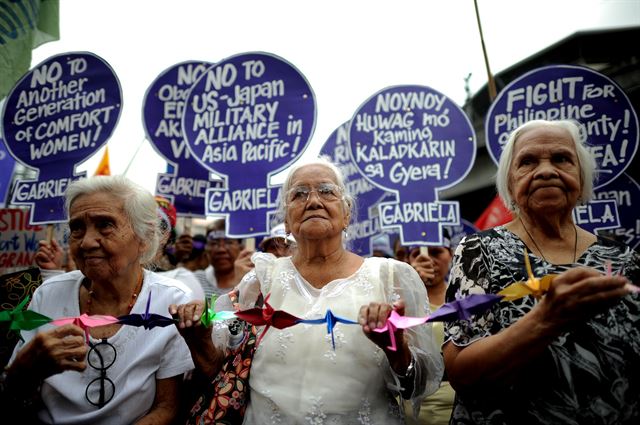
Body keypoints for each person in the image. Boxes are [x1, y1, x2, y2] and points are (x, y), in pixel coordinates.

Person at [172, 156, 443, 424]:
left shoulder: (391, 277)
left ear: (347, 213)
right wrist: (197, 336)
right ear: (287, 221)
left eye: (326, 191)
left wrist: (396, 350)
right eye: (299, 194)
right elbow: (218, 371)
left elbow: (417, 387)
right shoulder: (259, 283)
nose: (313, 201)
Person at [442, 119, 640, 424]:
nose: (546, 171)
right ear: (510, 182)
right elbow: (460, 371)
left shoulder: (624, 260)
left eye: (561, 159)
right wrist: (546, 319)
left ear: (581, 176)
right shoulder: (478, 252)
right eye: (528, 161)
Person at [3, 175, 195, 424]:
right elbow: (13, 392)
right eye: (77, 228)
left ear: (144, 237)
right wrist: (26, 369)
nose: (86, 242)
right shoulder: (49, 293)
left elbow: (166, 407)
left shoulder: (170, 300)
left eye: (105, 224)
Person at [396, 231, 456, 425]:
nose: (428, 260)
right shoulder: (400, 300)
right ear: (407, 260)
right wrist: (407, 283)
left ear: (452, 254)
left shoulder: (466, 296)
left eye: (436, 252)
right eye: (418, 255)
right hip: (418, 410)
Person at [194, 219, 254, 298]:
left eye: (229, 242)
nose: (221, 250)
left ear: (241, 248)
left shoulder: (253, 282)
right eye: (214, 243)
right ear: (206, 248)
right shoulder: (195, 281)